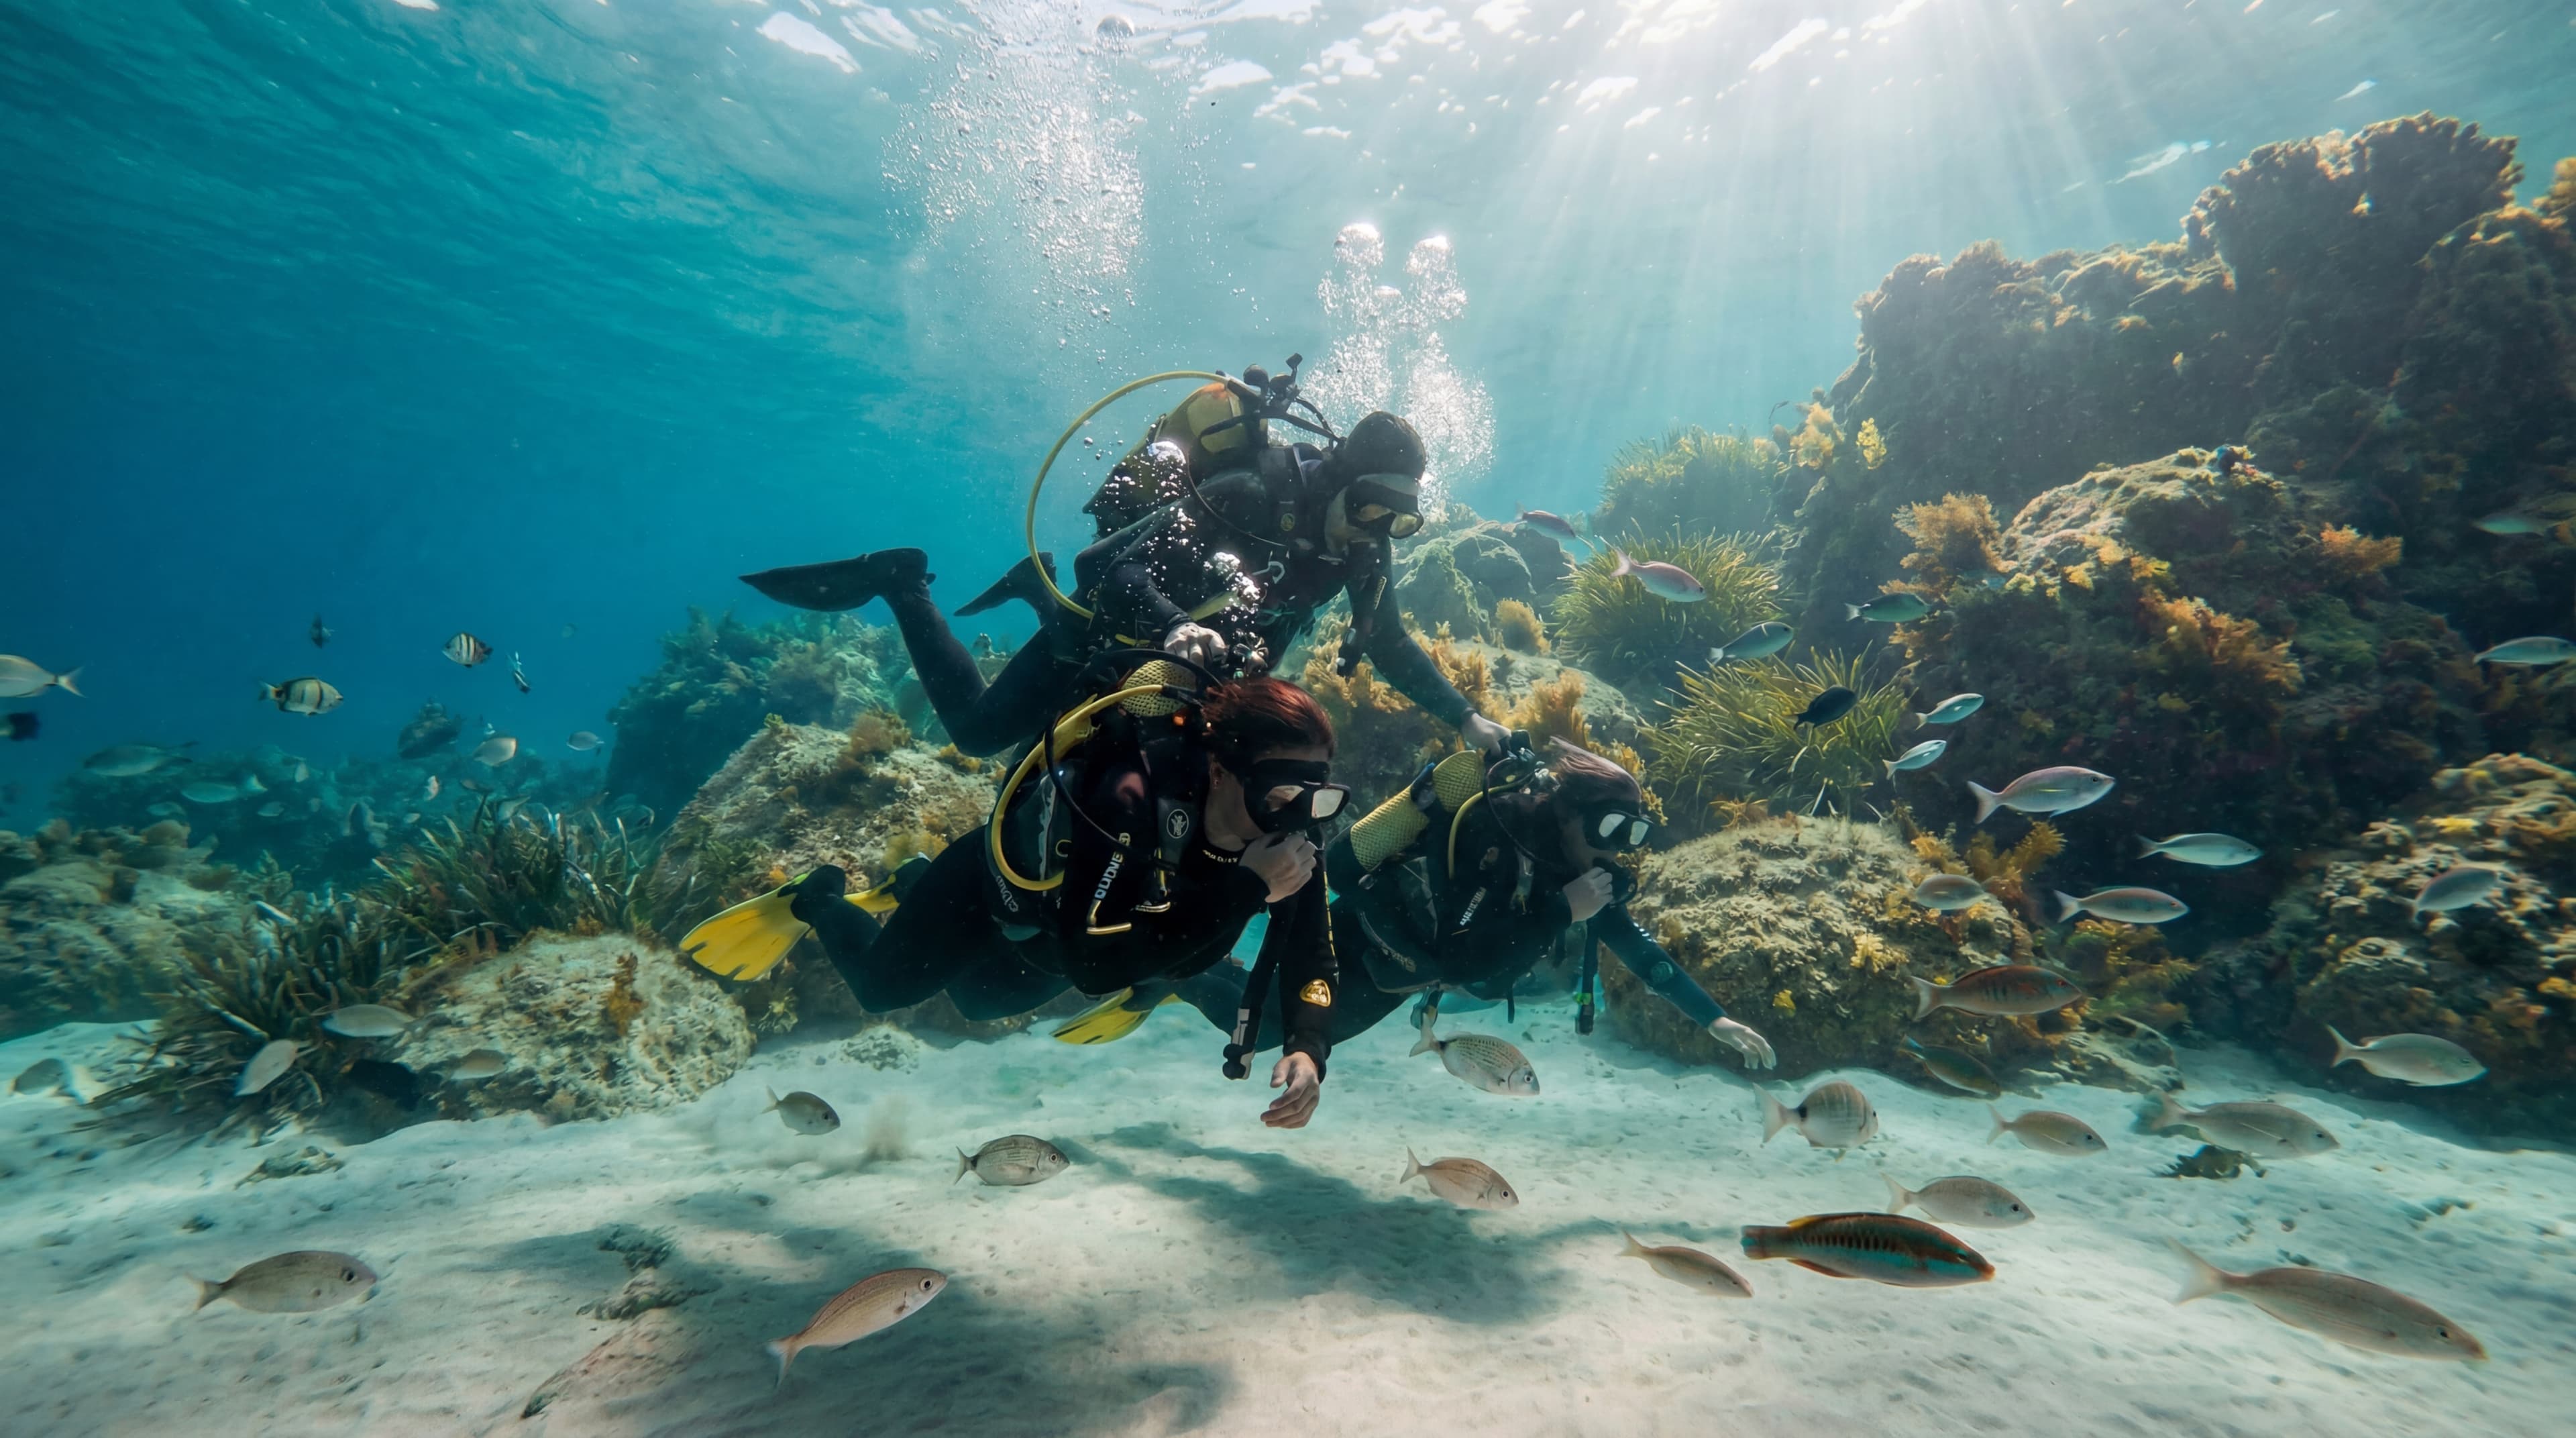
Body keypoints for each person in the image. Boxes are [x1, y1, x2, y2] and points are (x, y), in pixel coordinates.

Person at [739, 364, 1509, 760]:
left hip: (1197, 682)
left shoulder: (1362, 548)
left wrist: (1467, 718)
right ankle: (904, 584)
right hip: (1111, 636)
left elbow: (1389, 642)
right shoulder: (1248, 495)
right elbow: (1113, 571)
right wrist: (1175, 629)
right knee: (981, 737)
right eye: (1374, 507)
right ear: (1341, 478)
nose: (1378, 532)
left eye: (1401, 521)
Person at [685, 672, 1350, 1128]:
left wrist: (1309, 1044)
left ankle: (907, 884)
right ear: (1218, 770)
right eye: (1280, 793)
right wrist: (1246, 888)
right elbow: (1095, 966)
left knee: (978, 1002)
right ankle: (818, 897)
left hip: (1050, 954)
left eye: (1318, 799)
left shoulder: (1287, 839)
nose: (1296, 817)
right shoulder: (1130, 797)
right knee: (881, 990)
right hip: (989, 895)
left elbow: (1315, 958)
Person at [1064, 738, 1774, 1070]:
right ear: (1568, 813)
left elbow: (1637, 948)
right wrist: (1559, 914)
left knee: (1288, 1035)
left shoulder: (1579, 875)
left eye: (1635, 835)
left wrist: (1713, 1016)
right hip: (1363, 942)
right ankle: (1171, 972)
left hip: (1399, 975)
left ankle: (1176, 969)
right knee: (1274, 1031)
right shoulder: (1493, 839)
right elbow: (1463, 957)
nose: (1619, 849)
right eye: (1612, 829)